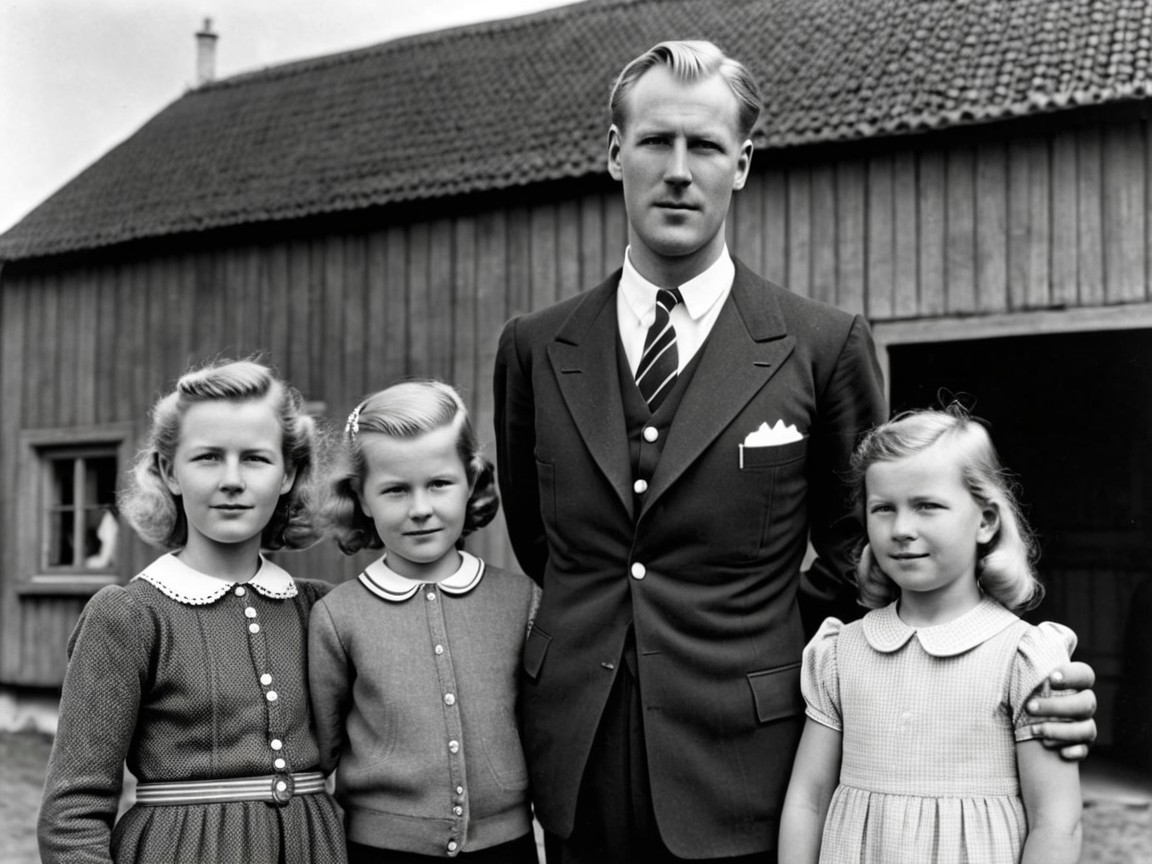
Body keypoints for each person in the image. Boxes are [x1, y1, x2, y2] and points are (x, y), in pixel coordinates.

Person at [492, 40, 1096, 863]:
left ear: (740, 164)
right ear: (613, 153)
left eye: (704, 146)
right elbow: (541, 542)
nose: (678, 170)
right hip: (576, 754)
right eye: (655, 142)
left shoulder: (822, 344)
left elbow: (862, 545)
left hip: (750, 764)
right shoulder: (532, 347)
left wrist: (780, 648)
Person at [38, 359, 347, 864]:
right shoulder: (130, 617)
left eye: (255, 459)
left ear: (289, 472)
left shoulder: (322, 609)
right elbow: (73, 811)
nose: (231, 480)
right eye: (207, 457)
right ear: (168, 471)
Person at [779, 408, 1083, 863]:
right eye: (883, 508)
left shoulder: (1022, 656)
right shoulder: (840, 653)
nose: (902, 530)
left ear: (985, 521)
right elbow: (808, 799)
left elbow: (1057, 821)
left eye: (927, 506)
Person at [309, 379, 540, 864]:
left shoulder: (519, 600)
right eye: (395, 490)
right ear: (362, 498)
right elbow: (320, 752)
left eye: (439, 483)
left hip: (506, 847)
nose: (420, 509)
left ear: (472, 481)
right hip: (378, 849)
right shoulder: (338, 615)